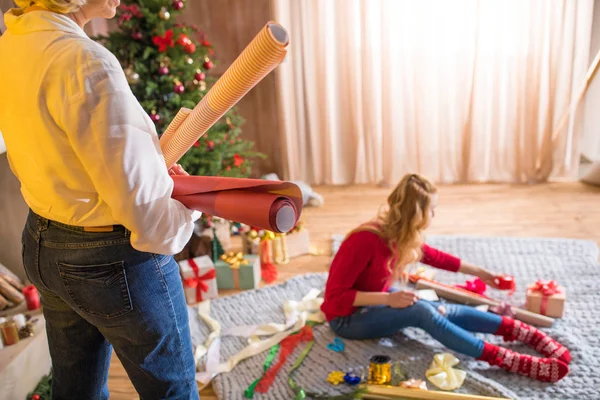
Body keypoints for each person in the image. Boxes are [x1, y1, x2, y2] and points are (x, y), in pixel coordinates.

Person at [0, 1, 201, 399]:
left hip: (43, 240)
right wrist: (187, 205)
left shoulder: (14, 42)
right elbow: (148, 217)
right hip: (111, 260)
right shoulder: (86, 62)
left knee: (76, 388)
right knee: (172, 391)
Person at [321, 173, 570, 383]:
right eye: (433, 209)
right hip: (347, 319)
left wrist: (483, 274)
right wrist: (388, 299)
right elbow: (334, 298)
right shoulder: (363, 241)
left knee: (436, 308)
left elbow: (436, 258)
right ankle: (505, 358)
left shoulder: (400, 233)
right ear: (417, 214)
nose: (435, 214)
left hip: (372, 304)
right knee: (421, 311)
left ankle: (520, 331)